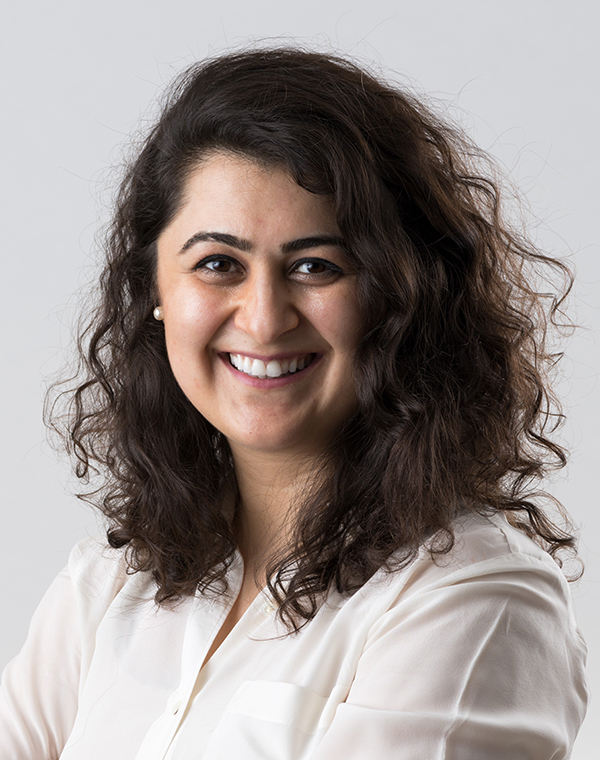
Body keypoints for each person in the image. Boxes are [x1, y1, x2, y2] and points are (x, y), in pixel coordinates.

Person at [0, 47, 588, 759]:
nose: (264, 316)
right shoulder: (106, 587)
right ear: (156, 291)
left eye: (317, 266)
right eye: (218, 264)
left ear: (400, 298)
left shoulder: (477, 598)